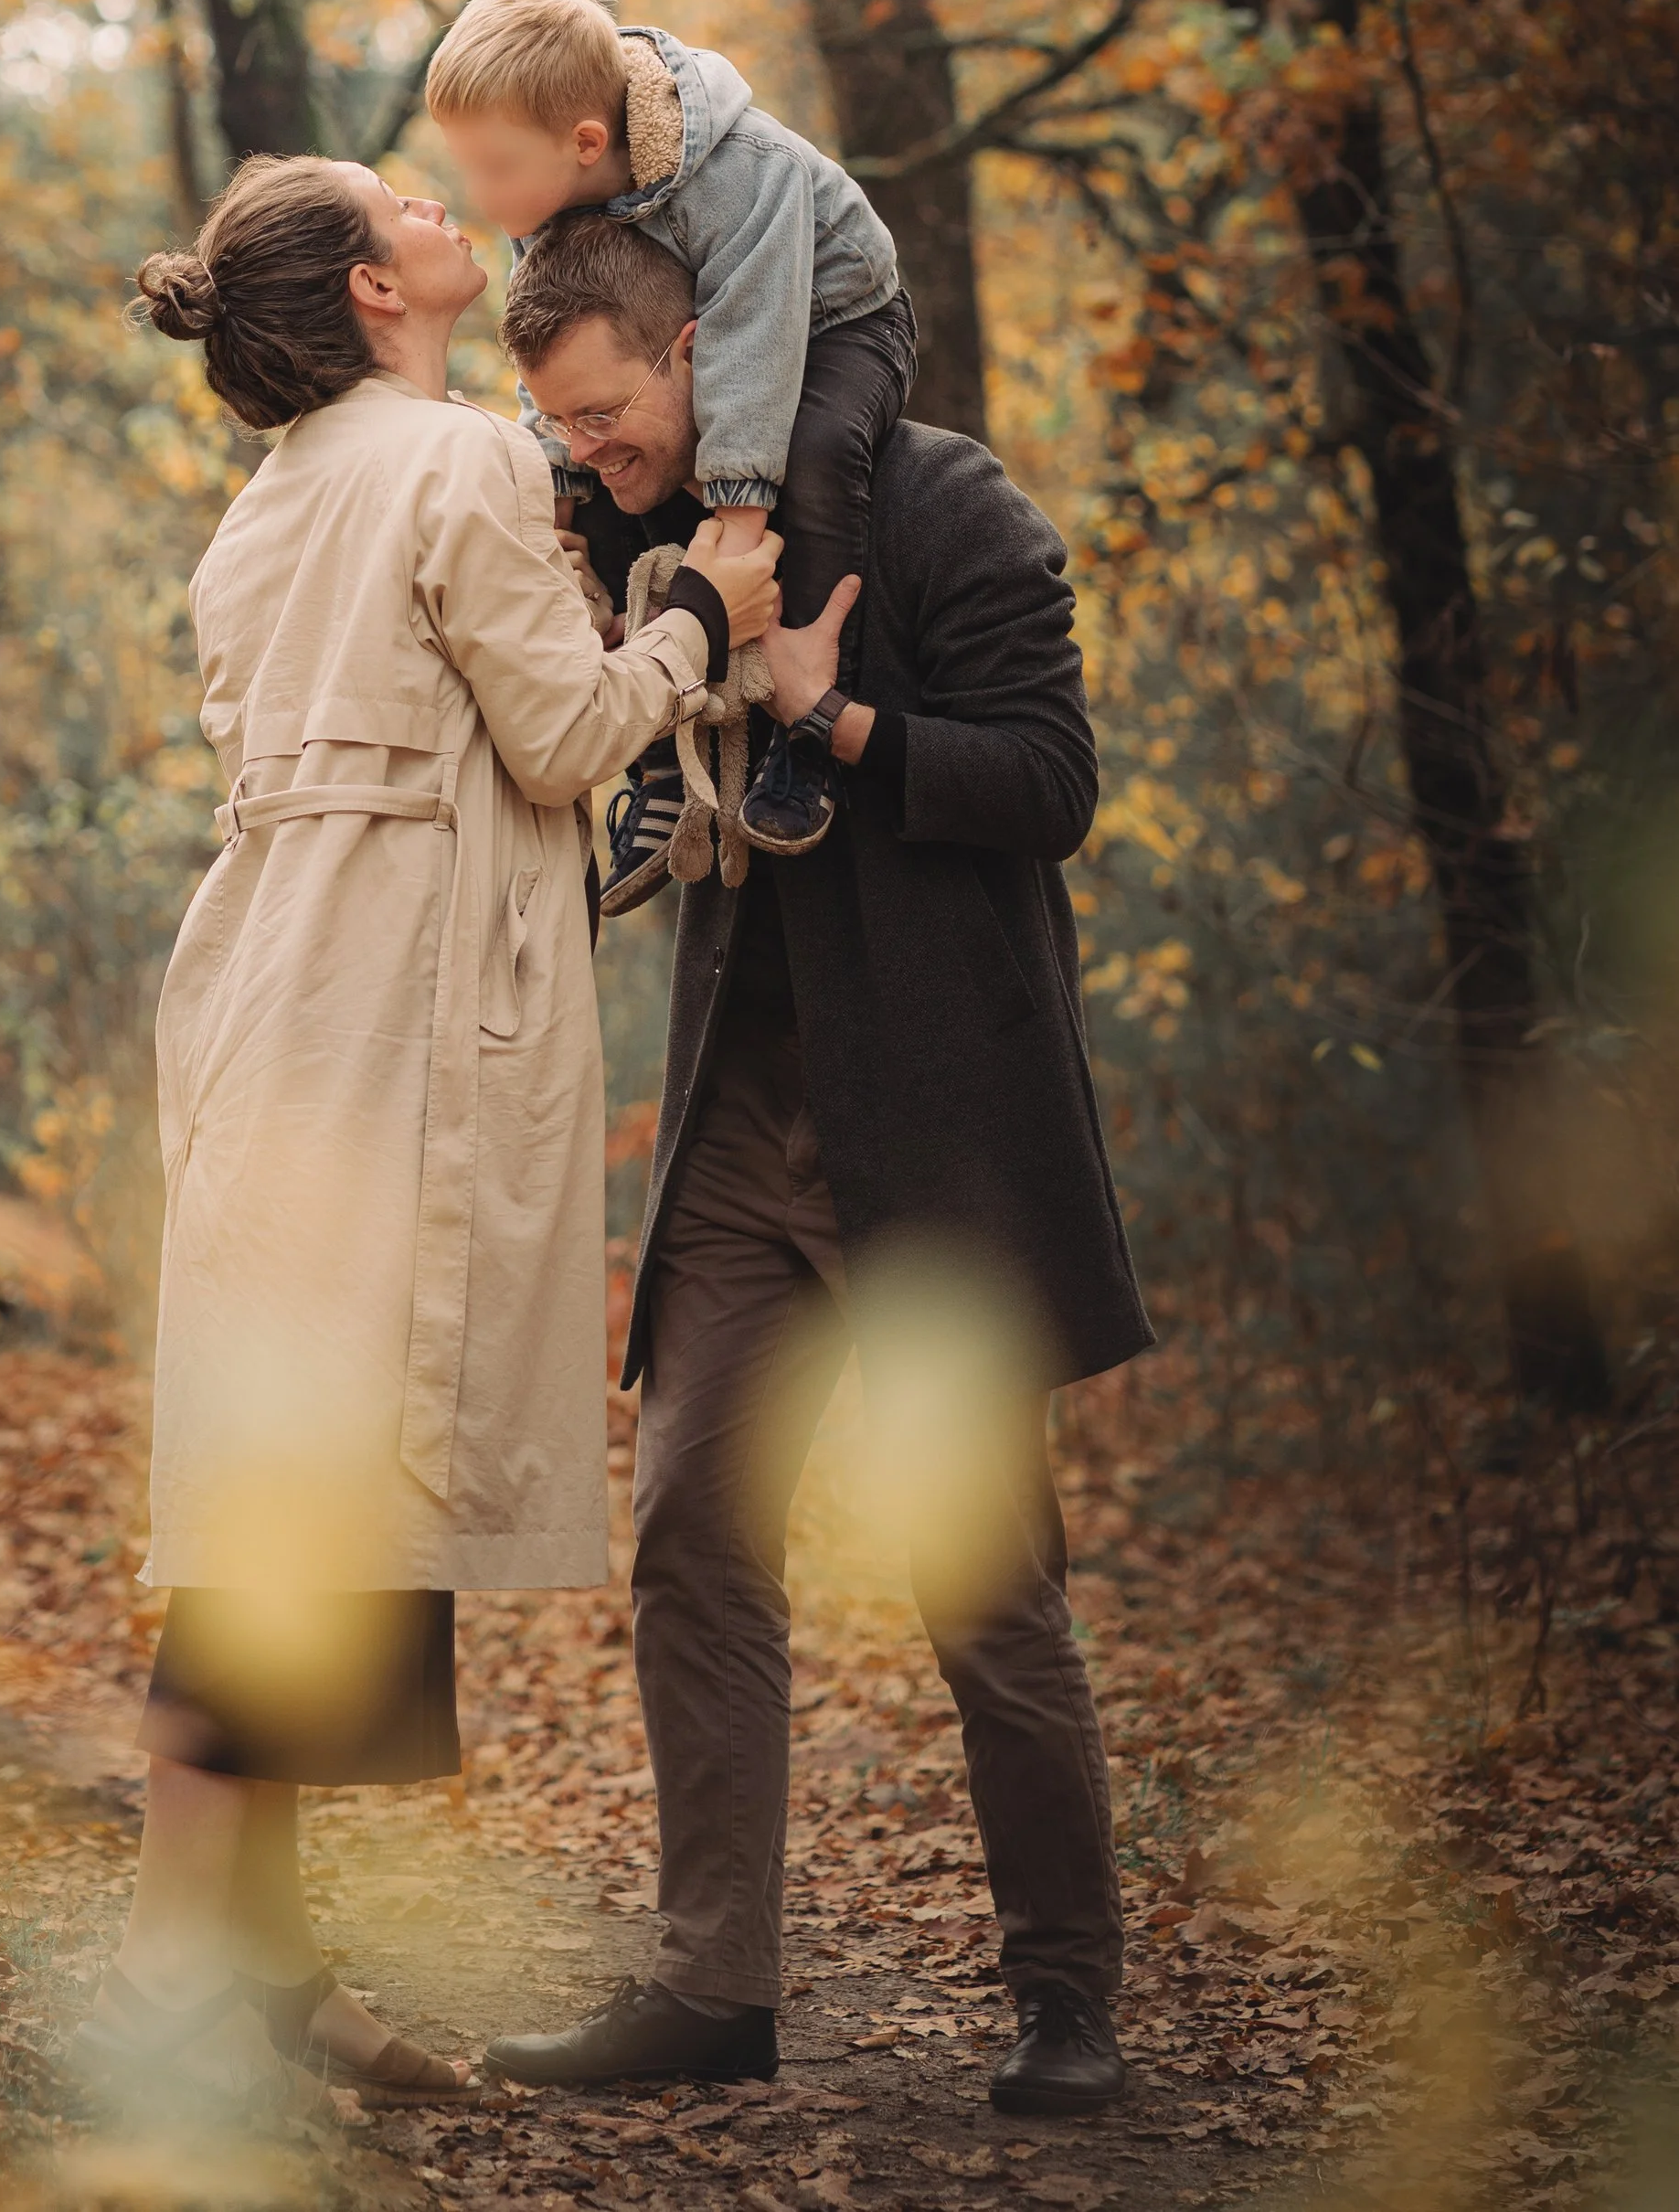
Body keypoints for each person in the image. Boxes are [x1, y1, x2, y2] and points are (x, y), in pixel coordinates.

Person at [78, 154, 781, 2119]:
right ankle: (169, 1971)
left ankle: (265, 1970)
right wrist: (700, 622)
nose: (437, 197)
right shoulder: (453, 458)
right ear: (380, 290)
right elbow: (562, 739)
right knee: (305, 1496)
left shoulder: (266, 504)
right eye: (404, 198)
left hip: (258, 1002)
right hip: (384, 1010)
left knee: (288, 1471)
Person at [481, 218, 1153, 2123]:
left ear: (699, 348)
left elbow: (1049, 786)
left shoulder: (951, 508)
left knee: (985, 1585)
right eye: (569, 436)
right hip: (734, 1137)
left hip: (932, 1135)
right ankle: (713, 1989)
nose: (596, 458)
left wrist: (826, 715)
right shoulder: (648, 534)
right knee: (690, 1531)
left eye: (611, 417)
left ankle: (1064, 1999)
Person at [424, 0, 914, 903]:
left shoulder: (744, 174)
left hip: (832, 323)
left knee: (806, 460)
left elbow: (753, 349)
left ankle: (802, 728)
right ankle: (654, 749)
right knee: (617, 479)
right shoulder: (548, 201)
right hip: (689, 348)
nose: (478, 195)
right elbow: (551, 349)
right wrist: (555, 488)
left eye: (492, 169)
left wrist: (732, 536)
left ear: (584, 142)